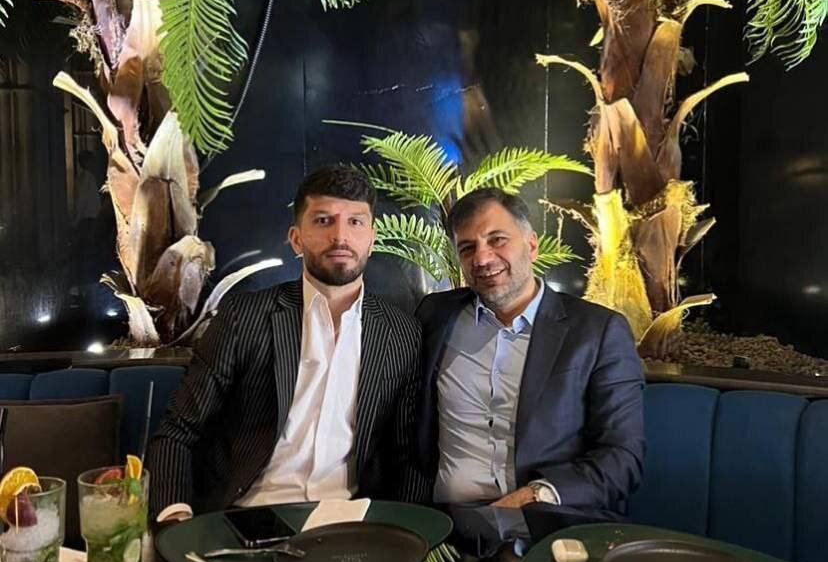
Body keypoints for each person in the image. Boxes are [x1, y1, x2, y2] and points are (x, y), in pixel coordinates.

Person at [147, 166, 428, 523]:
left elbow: (407, 454)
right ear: (296, 239)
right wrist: (175, 521)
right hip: (247, 515)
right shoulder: (244, 317)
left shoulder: (401, 333)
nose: (340, 236)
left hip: (350, 524)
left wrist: (403, 530)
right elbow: (179, 429)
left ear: (371, 239)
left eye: (355, 222)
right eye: (323, 220)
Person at [416, 188, 644, 525]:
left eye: (497, 240)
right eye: (467, 248)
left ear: (532, 245)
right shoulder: (435, 315)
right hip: (447, 525)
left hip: (548, 522)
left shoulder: (597, 331)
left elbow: (622, 458)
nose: (482, 258)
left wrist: (534, 496)